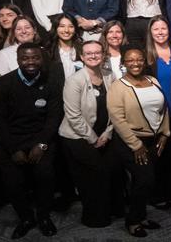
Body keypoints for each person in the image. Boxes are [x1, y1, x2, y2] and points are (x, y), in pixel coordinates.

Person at [0, 43, 63, 239]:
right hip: (11, 140)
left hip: (41, 139)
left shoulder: (51, 82)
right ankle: (26, 218)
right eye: (25, 58)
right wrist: (13, 148)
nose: (31, 62)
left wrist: (41, 145)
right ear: (18, 60)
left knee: (45, 176)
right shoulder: (4, 83)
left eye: (35, 58)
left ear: (41, 59)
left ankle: (43, 217)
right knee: (13, 182)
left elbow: (53, 118)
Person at [109, 47, 171, 237]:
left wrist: (165, 134)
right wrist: (136, 145)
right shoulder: (118, 87)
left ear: (144, 61)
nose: (135, 63)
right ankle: (133, 220)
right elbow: (117, 119)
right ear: (123, 64)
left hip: (153, 140)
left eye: (139, 59)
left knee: (145, 182)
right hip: (131, 142)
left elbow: (164, 109)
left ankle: (141, 216)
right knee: (144, 180)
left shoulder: (152, 80)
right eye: (130, 60)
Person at [58, 40, 118, 228]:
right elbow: (73, 116)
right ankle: (94, 217)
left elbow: (116, 108)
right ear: (82, 57)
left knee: (111, 170)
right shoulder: (74, 80)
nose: (93, 56)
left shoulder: (110, 75)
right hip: (77, 136)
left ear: (103, 55)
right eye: (88, 53)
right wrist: (93, 139)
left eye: (97, 52)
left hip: (103, 134)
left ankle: (109, 211)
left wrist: (108, 133)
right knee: (94, 175)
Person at [145, 17, 171, 209]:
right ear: (150, 33)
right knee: (160, 156)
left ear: (169, 31)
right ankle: (159, 195)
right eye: (156, 29)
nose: (160, 32)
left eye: (163, 28)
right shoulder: (147, 57)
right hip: (158, 115)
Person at [45, 14, 82, 83]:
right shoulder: (48, 51)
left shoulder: (82, 50)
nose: (66, 30)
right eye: (62, 26)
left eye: (71, 26)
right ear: (56, 28)